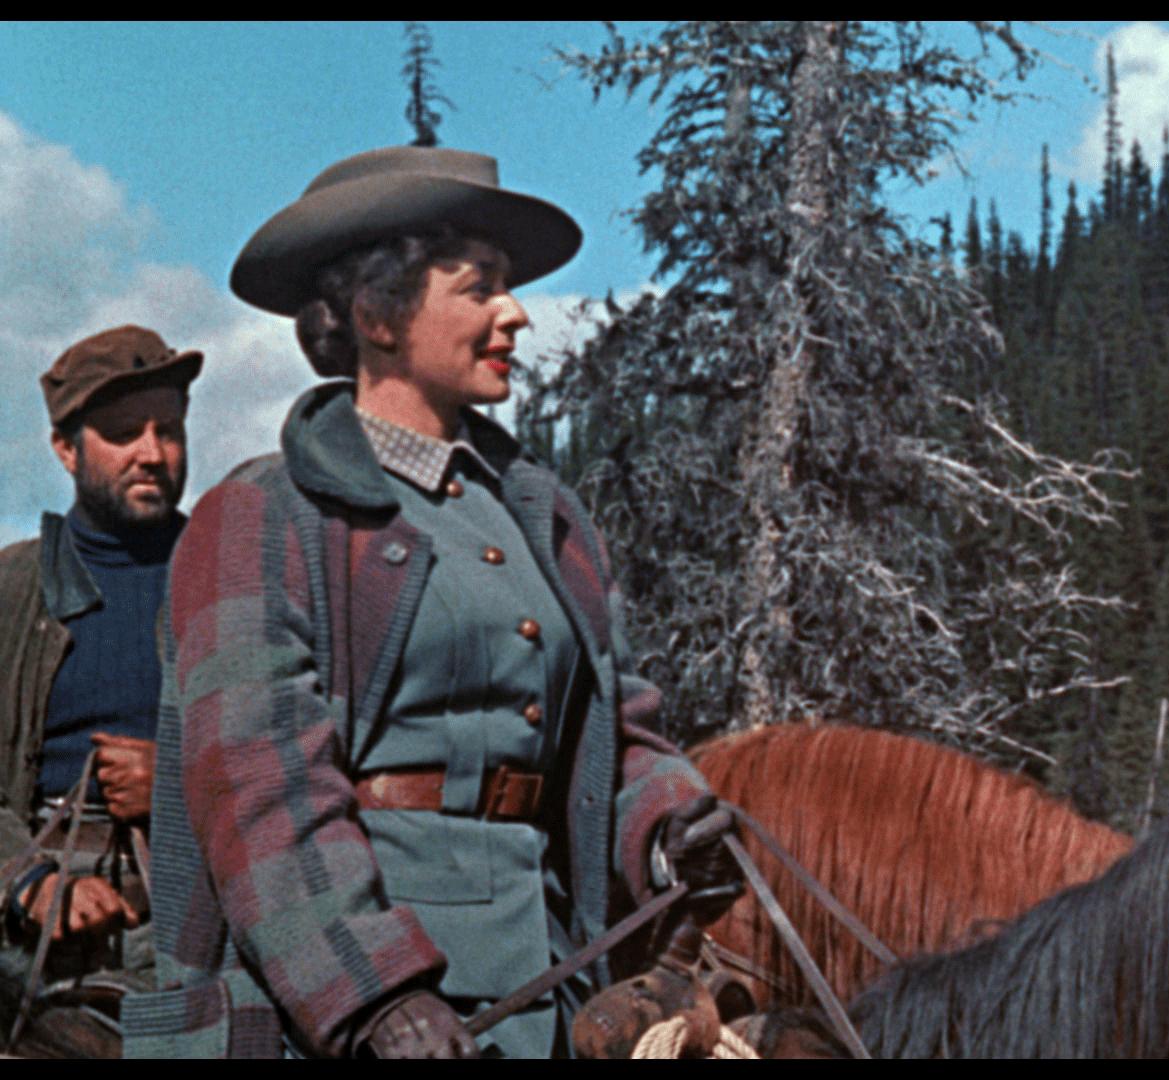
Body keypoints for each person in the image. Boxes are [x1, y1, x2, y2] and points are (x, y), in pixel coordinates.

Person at [122, 146, 741, 1059]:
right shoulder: (259, 515)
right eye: (479, 286)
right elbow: (257, 794)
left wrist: (668, 823)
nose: (515, 313)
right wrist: (372, 995)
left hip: (549, 981)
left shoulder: (546, 516)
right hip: (334, 1010)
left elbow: (616, 730)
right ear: (377, 314)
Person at [0, 325, 200, 1049]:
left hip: (201, 920)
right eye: (122, 433)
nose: (152, 452)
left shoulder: (228, 579)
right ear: (65, 448)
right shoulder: (14, 590)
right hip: (34, 953)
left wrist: (176, 781)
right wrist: (29, 883)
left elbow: (298, 761)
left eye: (168, 429)